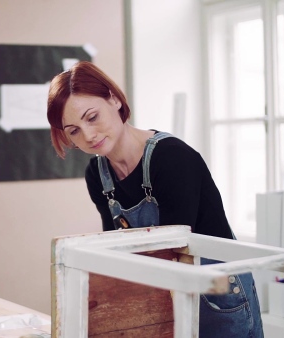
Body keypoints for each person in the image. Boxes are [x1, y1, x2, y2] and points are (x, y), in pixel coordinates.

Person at [46, 61, 263, 338]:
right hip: (160, 289)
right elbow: (115, 248)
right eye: (73, 130)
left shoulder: (172, 158)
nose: (88, 135)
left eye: (92, 117)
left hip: (216, 294)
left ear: (113, 99)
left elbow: (175, 250)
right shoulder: (98, 175)